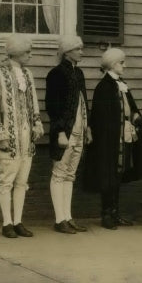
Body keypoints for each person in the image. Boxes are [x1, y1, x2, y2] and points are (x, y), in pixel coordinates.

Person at [0, 34, 44, 238]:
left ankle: (18, 221)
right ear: (16, 52)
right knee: (6, 181)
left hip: (26, 137)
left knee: (22, 181)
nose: (30, 55)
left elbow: (33, 102)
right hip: (8, 136)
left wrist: (36, 122)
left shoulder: (28, 75)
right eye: (27, 52)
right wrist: (0, 135)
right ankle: (7, 223)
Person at [85, 48, 142, 229]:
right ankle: (106, 214)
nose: (124, 65)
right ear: (112, 64)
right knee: (108, 175)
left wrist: (136, 116)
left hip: (123, 137)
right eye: (121, 62)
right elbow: (100, 118)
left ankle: (115, 213)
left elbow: (130, 107)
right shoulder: (104, 87)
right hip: (109, 141)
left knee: (118, 175)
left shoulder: (121, 84)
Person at [45, 35, 91, 234]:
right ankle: (59, 219)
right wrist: (60, 132)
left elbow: (83, 102)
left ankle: (68, 217)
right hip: (65, 132)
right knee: (59, 173)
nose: (82, 52)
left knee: (70, 175)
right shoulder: (56, 74)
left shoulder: (78, 73)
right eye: (78, 49)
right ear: (67, 52)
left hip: (79, 131)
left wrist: (88, 128)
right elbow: (52, 106)